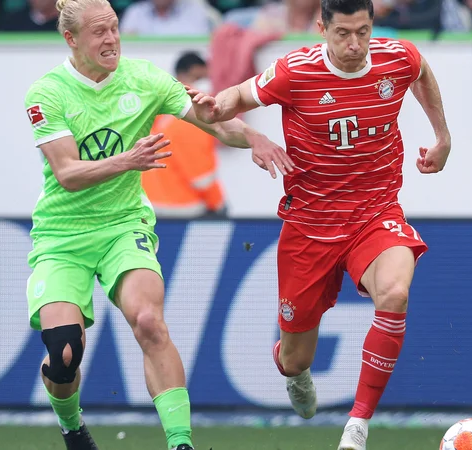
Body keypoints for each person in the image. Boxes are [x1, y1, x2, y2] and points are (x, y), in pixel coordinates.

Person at [22, 1, 292, 449]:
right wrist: (128, 160)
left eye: (113, 28)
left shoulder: (144, 78)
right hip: (61, 235)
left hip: (124, 225)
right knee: (65, 352)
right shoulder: (47, 93)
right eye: (98, 33)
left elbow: (210, 118)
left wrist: (255, 137)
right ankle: (73, 428)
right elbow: (68, 174)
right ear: (71, 39)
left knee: (148, 321)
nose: (111, 40)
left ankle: (181, 442)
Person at [186, 0, 451, 449]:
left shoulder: (395, 57)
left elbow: (421, 70)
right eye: (343, 33)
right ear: (321, 28)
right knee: (294, 357)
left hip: (375, 213)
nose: (354, 45)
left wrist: (442, 136)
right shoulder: (294, 72)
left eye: (363, 32)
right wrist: (219, 104)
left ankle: (357, 426)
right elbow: (241, 94)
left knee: (395, 293)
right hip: (310, 226)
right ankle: (294, 370)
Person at [143, 51, 228, 218]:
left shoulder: (157, 109)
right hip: (183, 209)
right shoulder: (192, 115)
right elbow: (201, 175)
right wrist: (219, 205)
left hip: (151, 207)